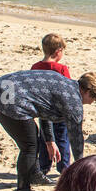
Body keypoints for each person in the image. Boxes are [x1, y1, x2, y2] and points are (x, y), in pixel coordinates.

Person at [0, 68, 96, 191]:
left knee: (32, 139)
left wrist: (49, 141)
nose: (92, 103)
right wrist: (81, 165)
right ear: (87, 91)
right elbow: (76, 138)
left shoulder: (63, 83)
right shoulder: (74, 102)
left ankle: (34, 174)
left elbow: (43, 110)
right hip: (11, 100)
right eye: (94, 99)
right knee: (30, 146)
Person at [32, 33, 72, 178]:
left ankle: (44, 167)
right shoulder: (61, 69)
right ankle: (64, 168)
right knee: (62, 139)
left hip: (42, 112)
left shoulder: (35, 67)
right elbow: (67, 89)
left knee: (44, 138)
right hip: (58, 112)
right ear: (58, 51)